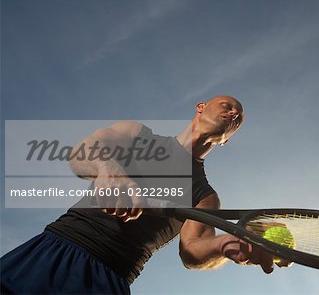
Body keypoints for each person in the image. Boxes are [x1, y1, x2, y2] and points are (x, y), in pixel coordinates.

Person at [1, 95, 287, 294]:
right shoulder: (136, 134)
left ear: (226, 140)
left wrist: (225, 246)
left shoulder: (206, 197)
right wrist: (107, 169)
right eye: (228, 106)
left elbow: (193, 251)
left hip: (109, 278)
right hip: (54, 248)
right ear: (201, 107)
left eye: (238, 118)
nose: (234, 113)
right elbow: (81, 152)